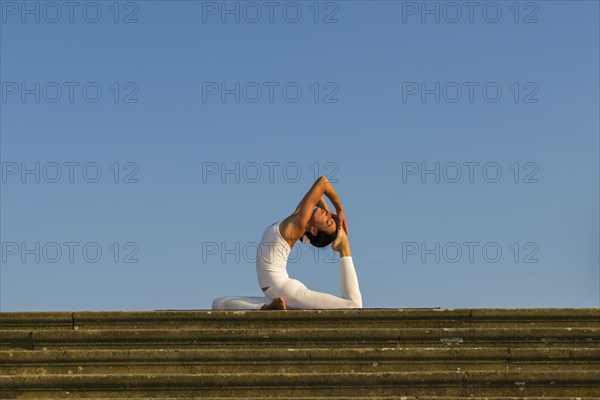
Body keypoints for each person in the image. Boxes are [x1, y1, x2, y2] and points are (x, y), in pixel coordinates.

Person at [211, 176, 362, 310]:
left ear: (314, 231)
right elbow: (319, 195)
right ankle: (265, 308)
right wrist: (329, 213)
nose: (328, 214)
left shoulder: (299, 223)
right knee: (218, 303)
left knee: (353, 304)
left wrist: (340, 209)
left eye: (328, 221)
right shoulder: (298, 216)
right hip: (273, 293)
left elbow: (322, 182)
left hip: (287, 291)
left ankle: (344, 247)